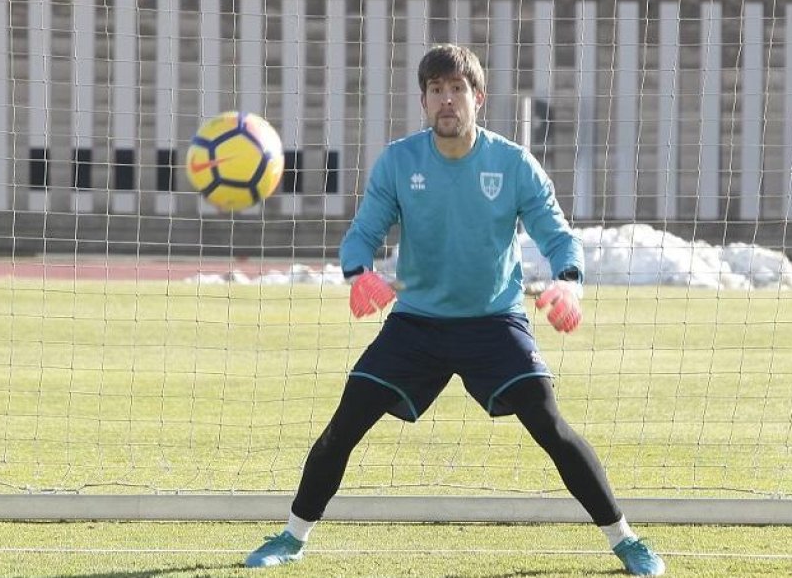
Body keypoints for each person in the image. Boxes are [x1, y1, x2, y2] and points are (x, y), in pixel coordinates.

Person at [244, 44, 666, 576]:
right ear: (423, 101)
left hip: (495, 321)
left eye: (457, 89)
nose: (448, 100)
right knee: (343, 425)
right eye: (437, 90)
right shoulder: (399, 161)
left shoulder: (512, 164)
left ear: (478, 98)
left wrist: (569, 284)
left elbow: (559, 238)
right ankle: (290, 537)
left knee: (550, 424)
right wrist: (359, 275)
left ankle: (626, 541)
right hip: (417, 323)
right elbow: (362, 235)